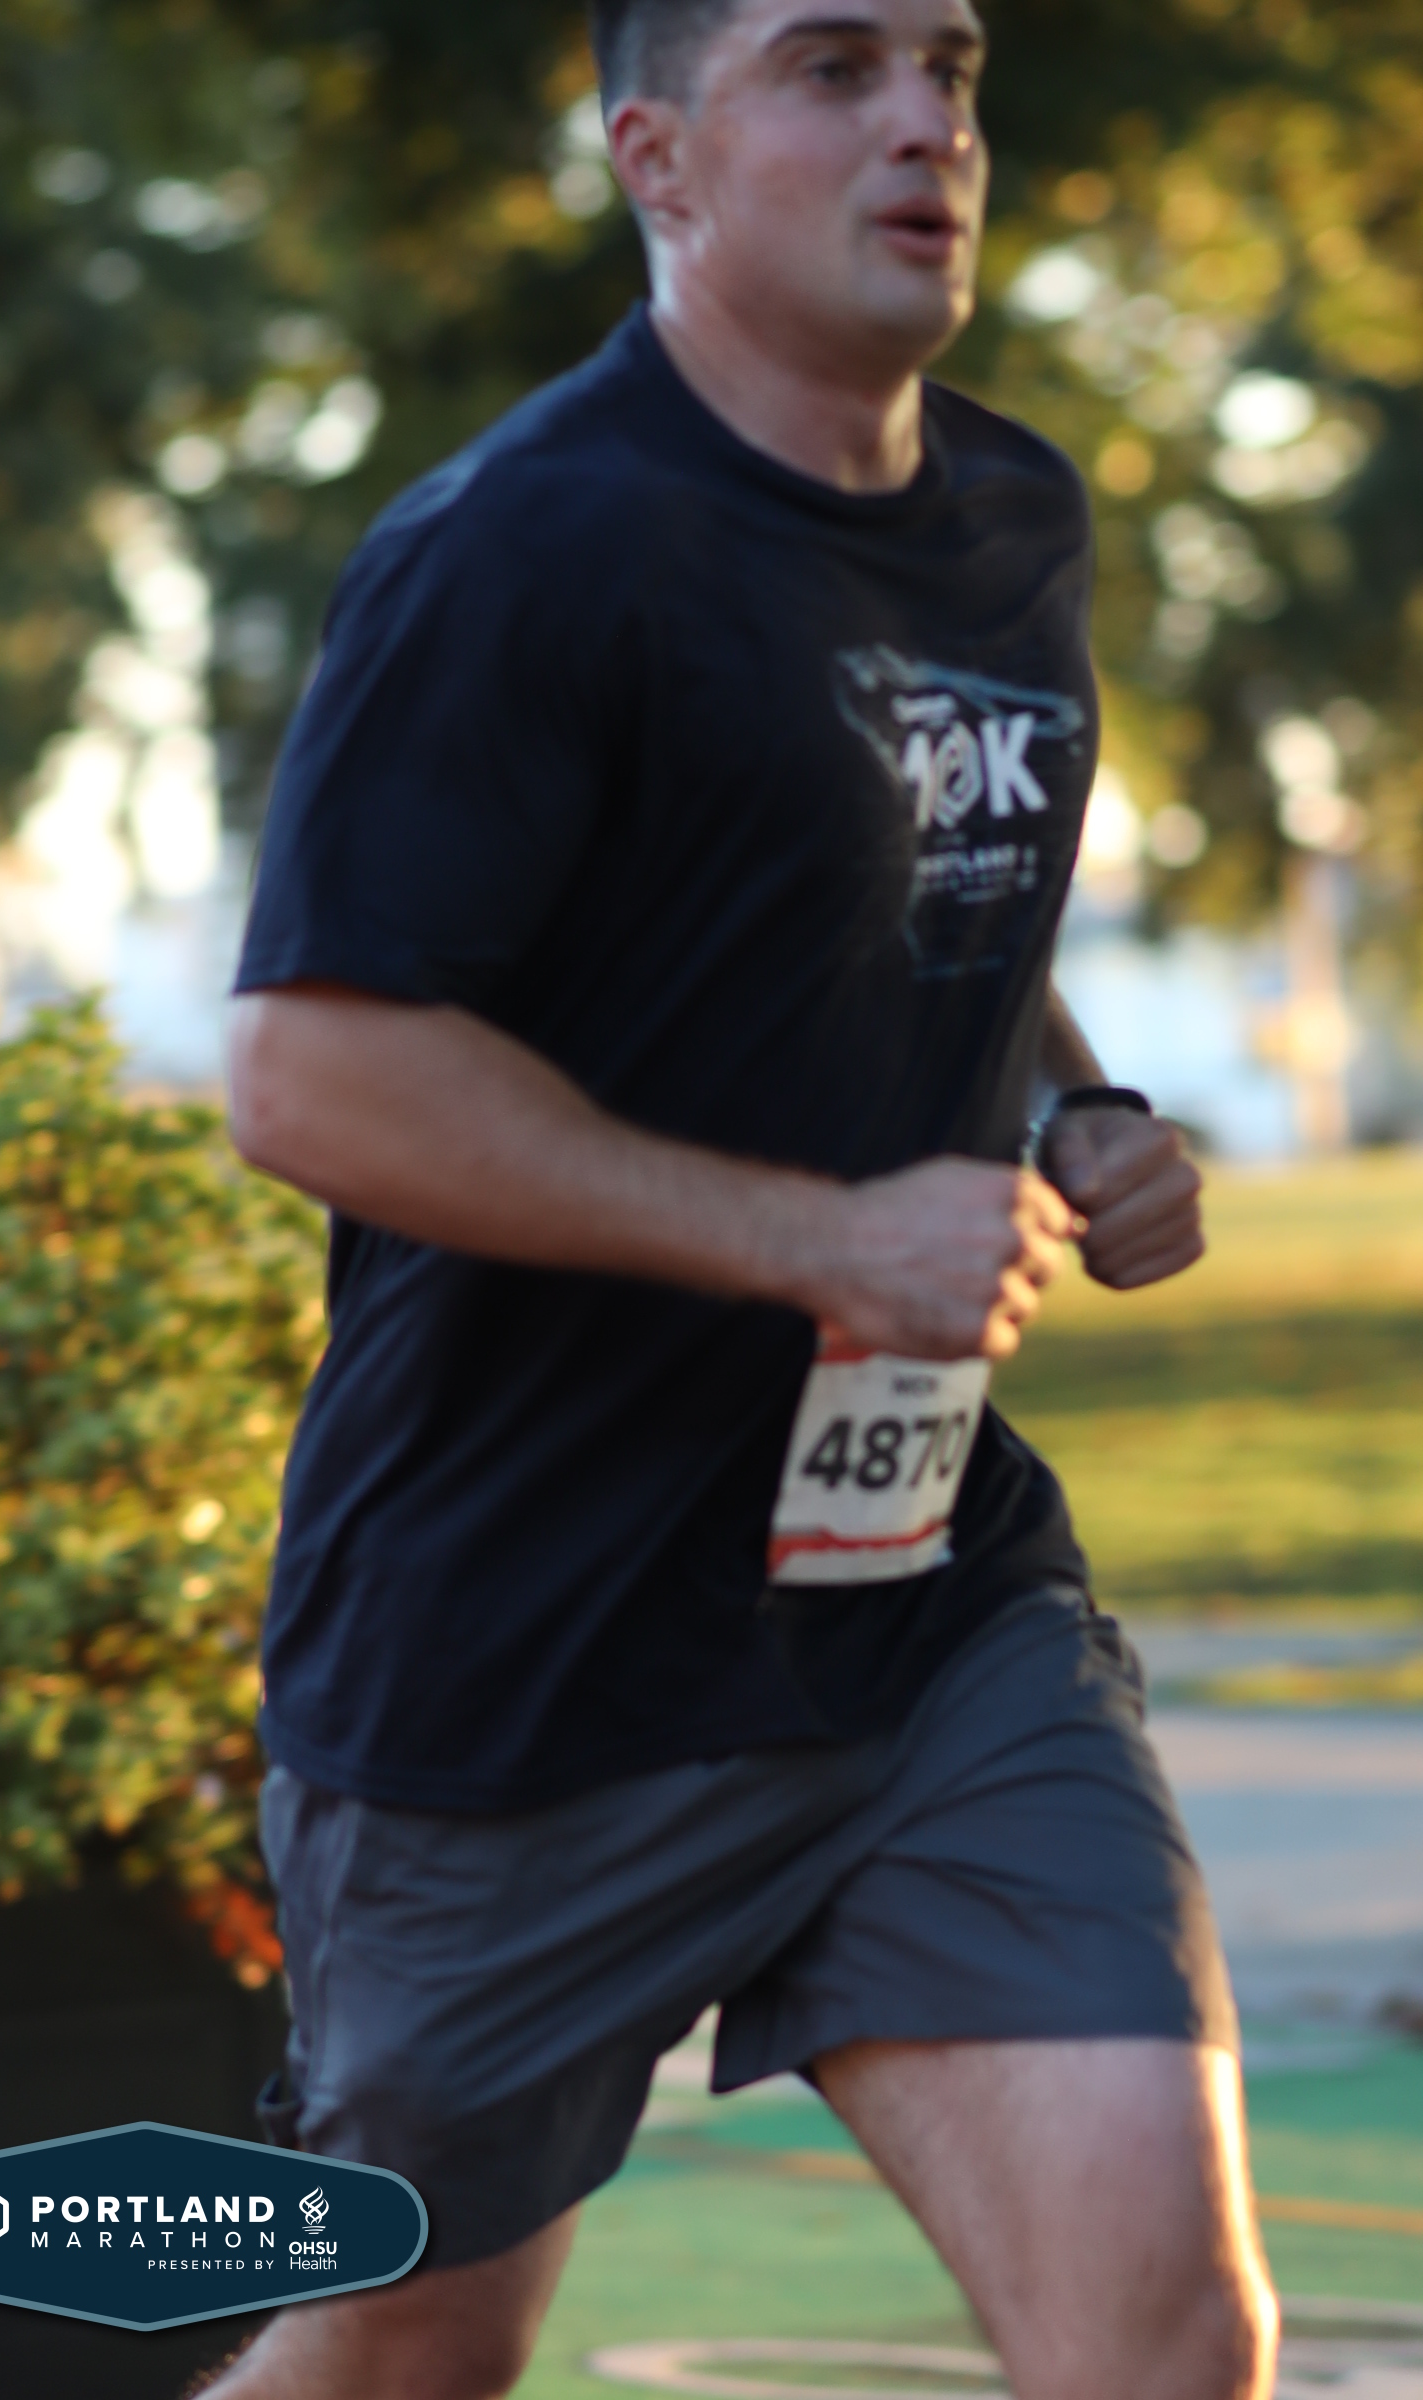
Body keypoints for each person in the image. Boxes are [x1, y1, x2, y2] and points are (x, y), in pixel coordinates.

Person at [215, 3, 1279, 2395]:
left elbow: (912, 861)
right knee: (408, 2358)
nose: (923, 124)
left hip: (917, 1611)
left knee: (1163, 2338)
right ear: (657, 161)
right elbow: (310, 1074)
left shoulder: (1010, 517)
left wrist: (1078, 1109)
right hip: (524, 1662)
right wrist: (821, 1238)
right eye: (830, 68)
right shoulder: (522, 552)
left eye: (950, 68)